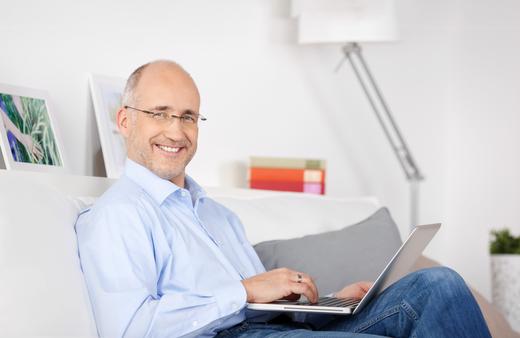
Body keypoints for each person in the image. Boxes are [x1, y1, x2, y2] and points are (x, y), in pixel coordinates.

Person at [75, 60, 491, 338]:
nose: (176, 130)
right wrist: (244, 291)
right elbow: (128, 329)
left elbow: (265, 307)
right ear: (125, 120)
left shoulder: (217, 214)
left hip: (277, 330)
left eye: (187, 116)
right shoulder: (118, 215)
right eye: (160, 113)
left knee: (441, 284)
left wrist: (324, 303)